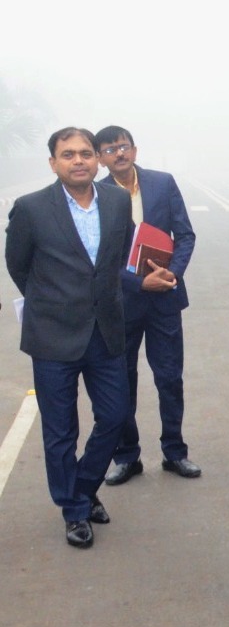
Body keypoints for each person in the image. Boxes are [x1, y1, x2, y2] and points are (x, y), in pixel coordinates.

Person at [5, 127, 134, 548]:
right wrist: (52, 301)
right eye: (68, 154)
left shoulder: (116, 201)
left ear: (97, 159)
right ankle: (75, 510)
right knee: (60, 431)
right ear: (53, 162)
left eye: (85, 153)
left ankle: (83, 485)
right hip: (52, 337)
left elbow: (118, 257)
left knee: (115, 416)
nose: (78, 160)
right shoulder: (30, 208)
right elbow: (18, 265)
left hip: (105, 332)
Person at [95, 125, 201, 485]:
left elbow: (185, 235)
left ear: (135, 150)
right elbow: (99, 257)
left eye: (123, 146)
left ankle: (175, 452)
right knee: (121, 380)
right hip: (121, 302)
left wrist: (172, 273)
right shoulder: (97, 195)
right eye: (110, 150)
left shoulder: (162, 183)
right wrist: (139, 282)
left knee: (170, 378)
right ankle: (127, 457)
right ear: (100, 159)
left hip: (164, 299)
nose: (119, 154)